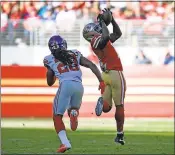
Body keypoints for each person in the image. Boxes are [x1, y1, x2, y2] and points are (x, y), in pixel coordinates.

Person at [43, 35, 105, 153]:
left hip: (65, 85)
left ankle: (65, 143)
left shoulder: (48, 59)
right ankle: (73, 112)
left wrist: (53, 71)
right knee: (72, 109)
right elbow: (91, 65)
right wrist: (101, 81)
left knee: (57, 116)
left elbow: (50, 82)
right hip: (79, 86)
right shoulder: (75, 53)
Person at [82, 8, 126, 145]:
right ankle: (119, 135)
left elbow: (117, 33)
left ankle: (102, 100)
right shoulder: (96, 41)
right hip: (115, 73)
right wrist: (102, 21)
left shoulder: (98, 41)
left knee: (107, 108)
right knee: (120, 105)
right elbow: (106, 36)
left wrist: (112, 19)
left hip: (106, 75)